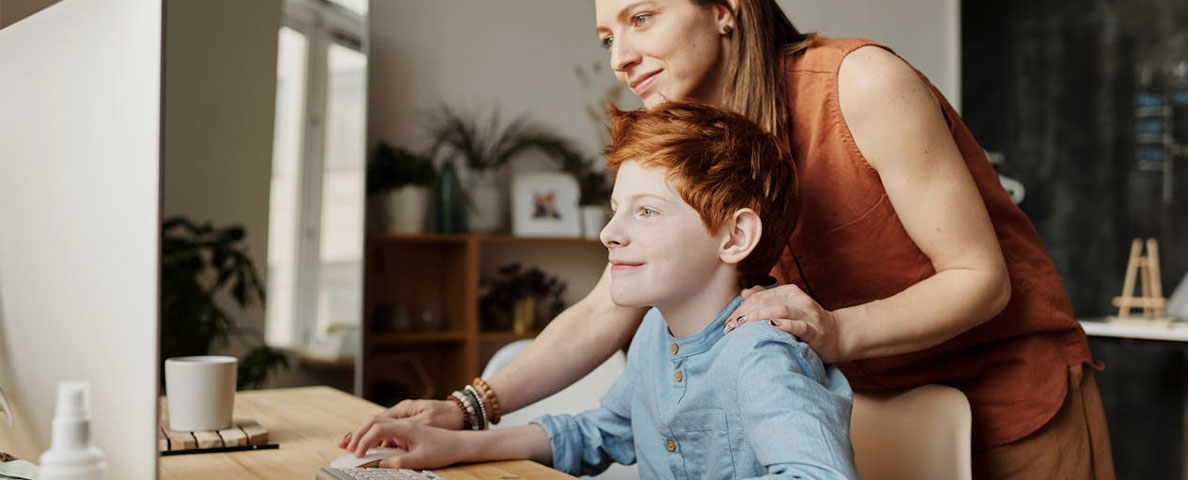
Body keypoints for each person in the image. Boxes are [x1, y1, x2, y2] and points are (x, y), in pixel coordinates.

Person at [347, 1, 1114, 478]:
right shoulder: (702, 143)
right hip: (865, 406)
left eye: (642, 18)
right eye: (607, 33)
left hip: (1012, 405)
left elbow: (982, 279)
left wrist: (835, 329)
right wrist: (468, 408)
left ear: (726, 7)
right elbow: (605, 306)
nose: (619, 56)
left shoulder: (861, 83)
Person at [343, 102, 859, 478]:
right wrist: (453, 445)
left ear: (735, 237)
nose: (609, 232)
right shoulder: (657, 332)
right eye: (616, 209)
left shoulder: (762, 353)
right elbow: (604, 432)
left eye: (646, 212)